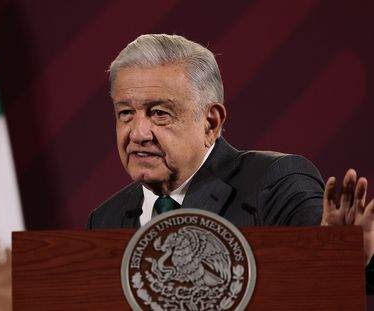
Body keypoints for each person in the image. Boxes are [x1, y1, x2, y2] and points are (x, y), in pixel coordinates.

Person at [87, 34, 374, 290]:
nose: (137, 133)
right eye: (125, 113)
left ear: (210, 123)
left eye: (159, 113)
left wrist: (347, 257)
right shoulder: (105, 219)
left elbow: (325, 257)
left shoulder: (275, 183)